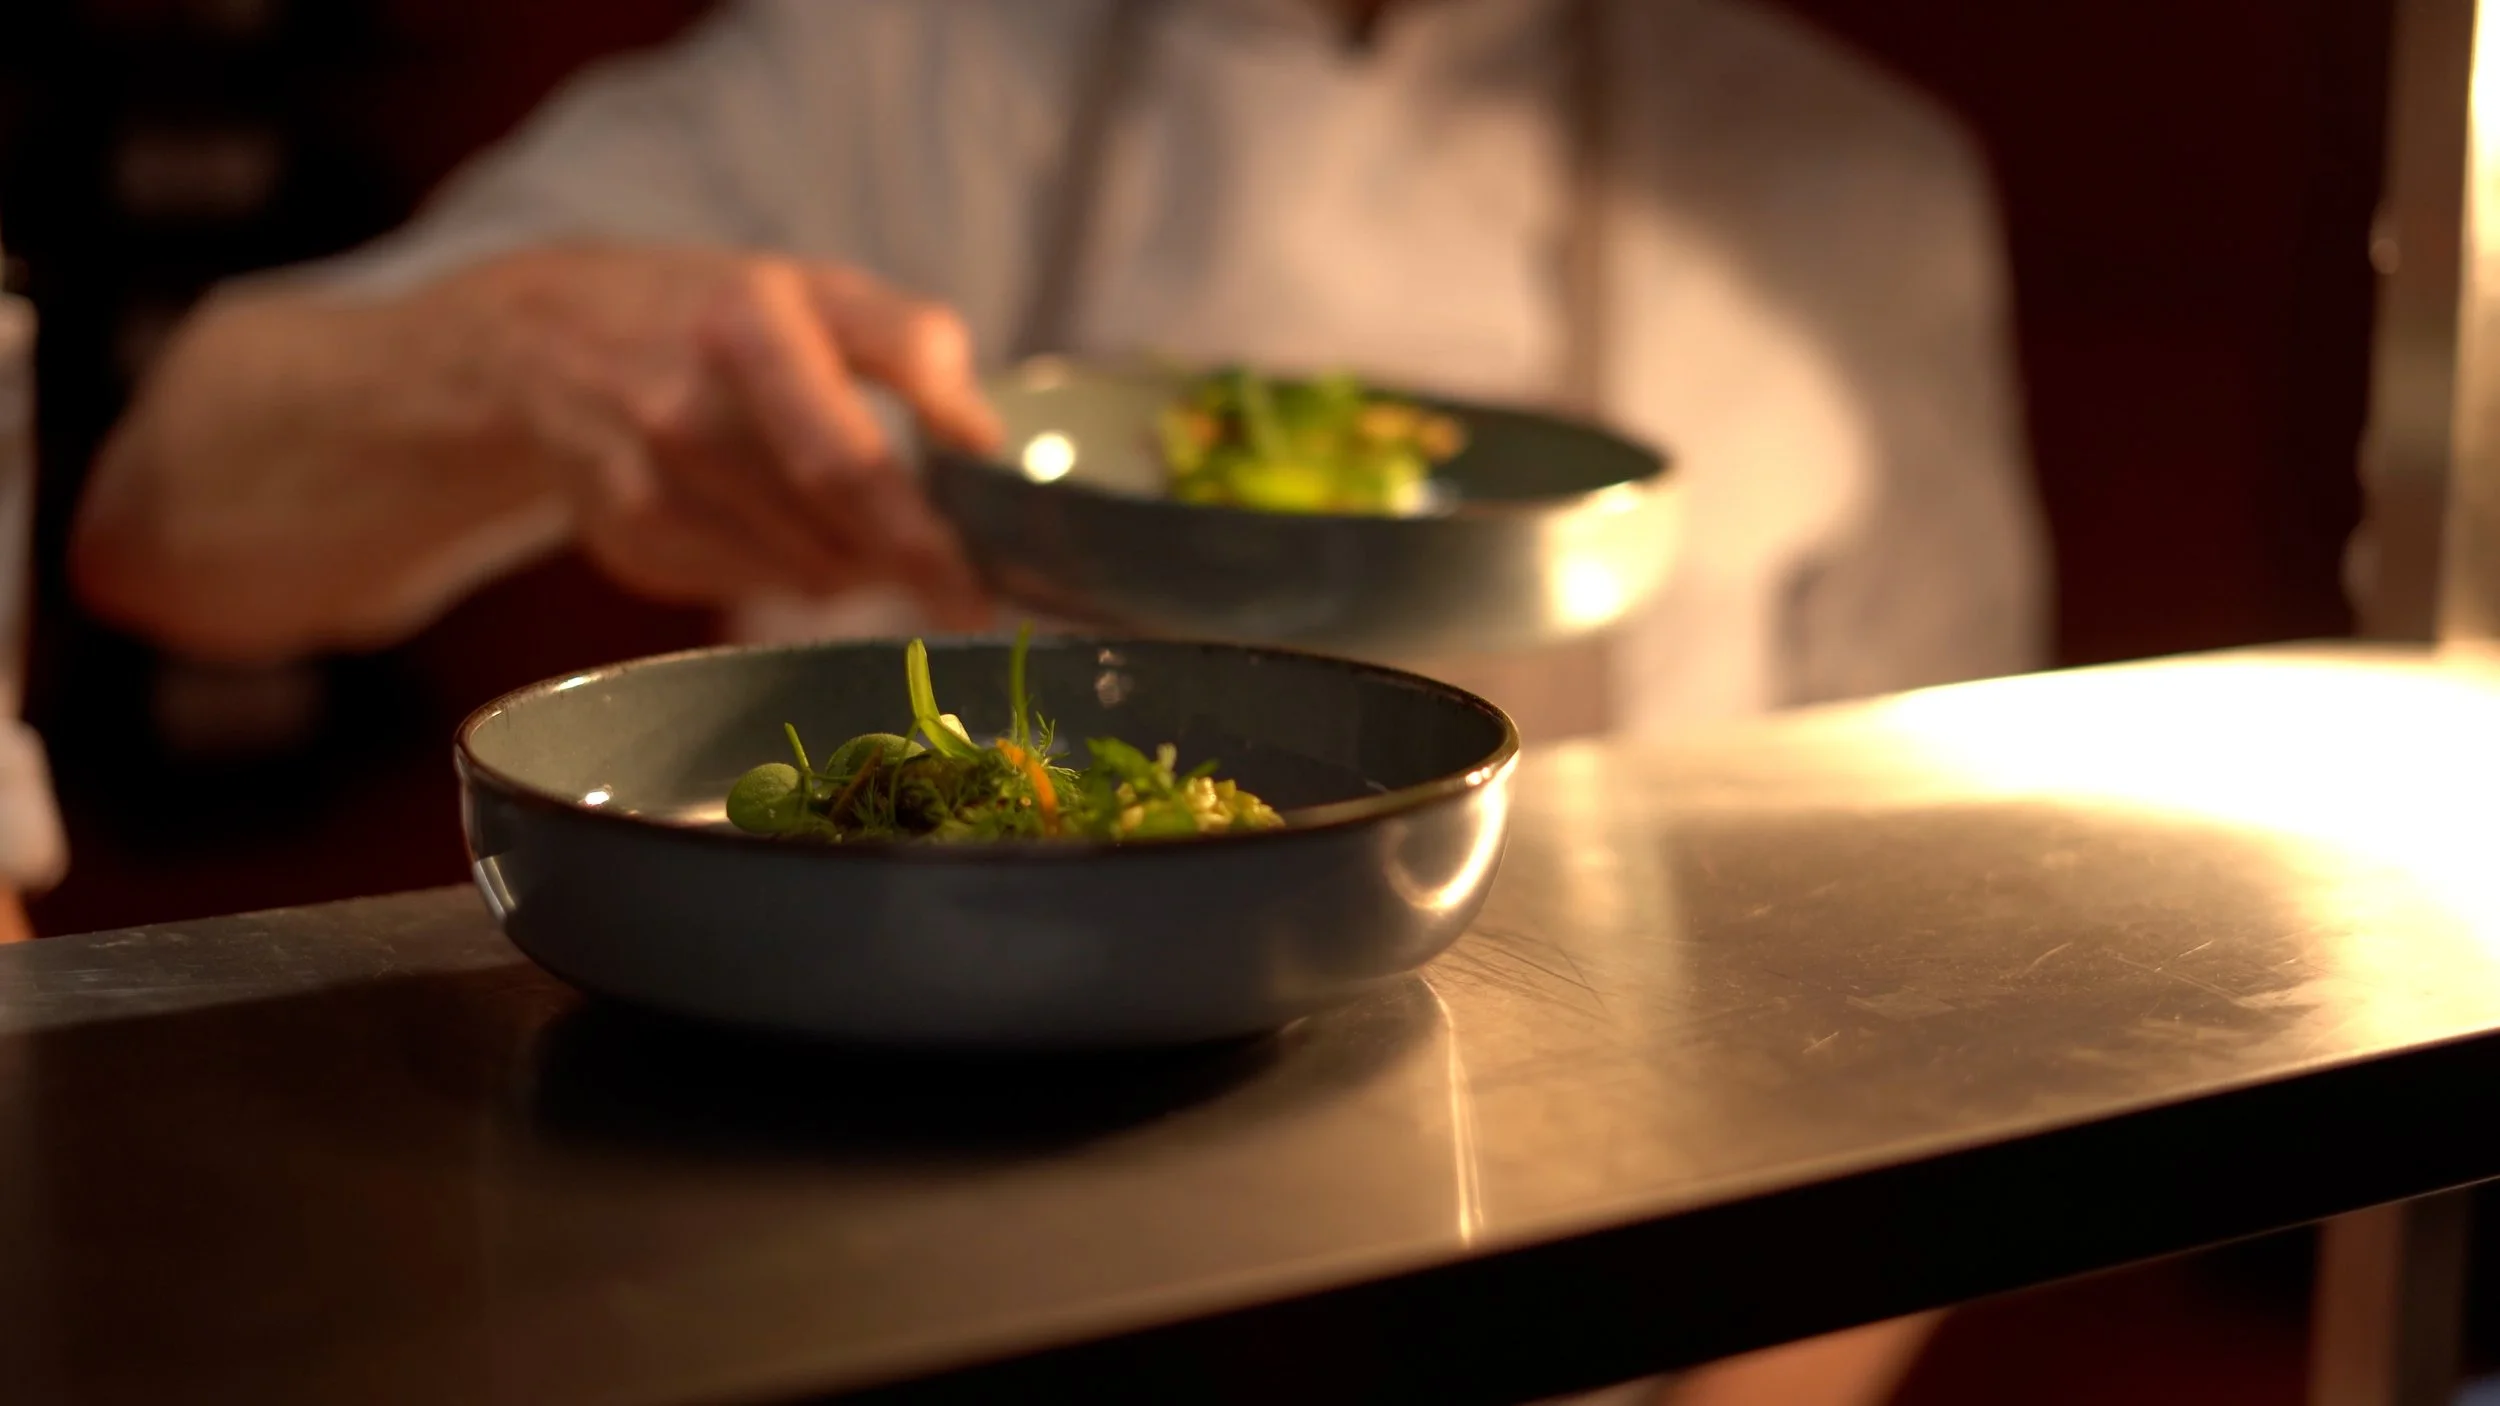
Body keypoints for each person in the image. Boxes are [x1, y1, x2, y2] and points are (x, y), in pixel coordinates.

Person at [66, 2, 2039, 1393]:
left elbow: (1940, 967)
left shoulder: (1843, 183)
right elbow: (171, 519)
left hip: (1557, 1337)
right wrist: (533, 367)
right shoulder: (879, 66)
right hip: (840, 1313)